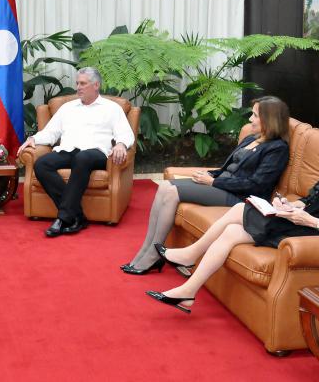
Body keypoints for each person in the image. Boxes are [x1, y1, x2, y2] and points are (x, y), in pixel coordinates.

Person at [146, 117, 319, 313]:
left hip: (317, 233)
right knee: (232, 230)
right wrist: (290, 205)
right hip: (301, 221)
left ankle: (190, 257)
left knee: (241, 209)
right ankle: (188, 291)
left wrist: (313, 220)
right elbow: (313, 199)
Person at [122, 96, 290, 275]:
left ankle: (154, 256)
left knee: (172, 192)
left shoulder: (277, 149)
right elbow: (228, 167)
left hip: (239, 197)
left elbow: (256, 185)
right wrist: (210, 174)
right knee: (164, 186)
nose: (250, 119)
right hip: (222, 184)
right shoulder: (251, 139)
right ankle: (146, 249)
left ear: (269, 119)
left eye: (255, 115)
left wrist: (214, 181)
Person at [16, 67, 135, 237]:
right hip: (69, 150)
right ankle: (76, 215)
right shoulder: (67, 108)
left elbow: (125, 134)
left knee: (83, 158)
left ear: (96, 85)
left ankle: (63, 218)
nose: (78, 87)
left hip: (96, 153)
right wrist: (34, 139)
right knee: (42, 164)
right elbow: (51, 132)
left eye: (83, 83)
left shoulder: (111, 108)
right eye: (77, 83)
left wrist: (121, 144)